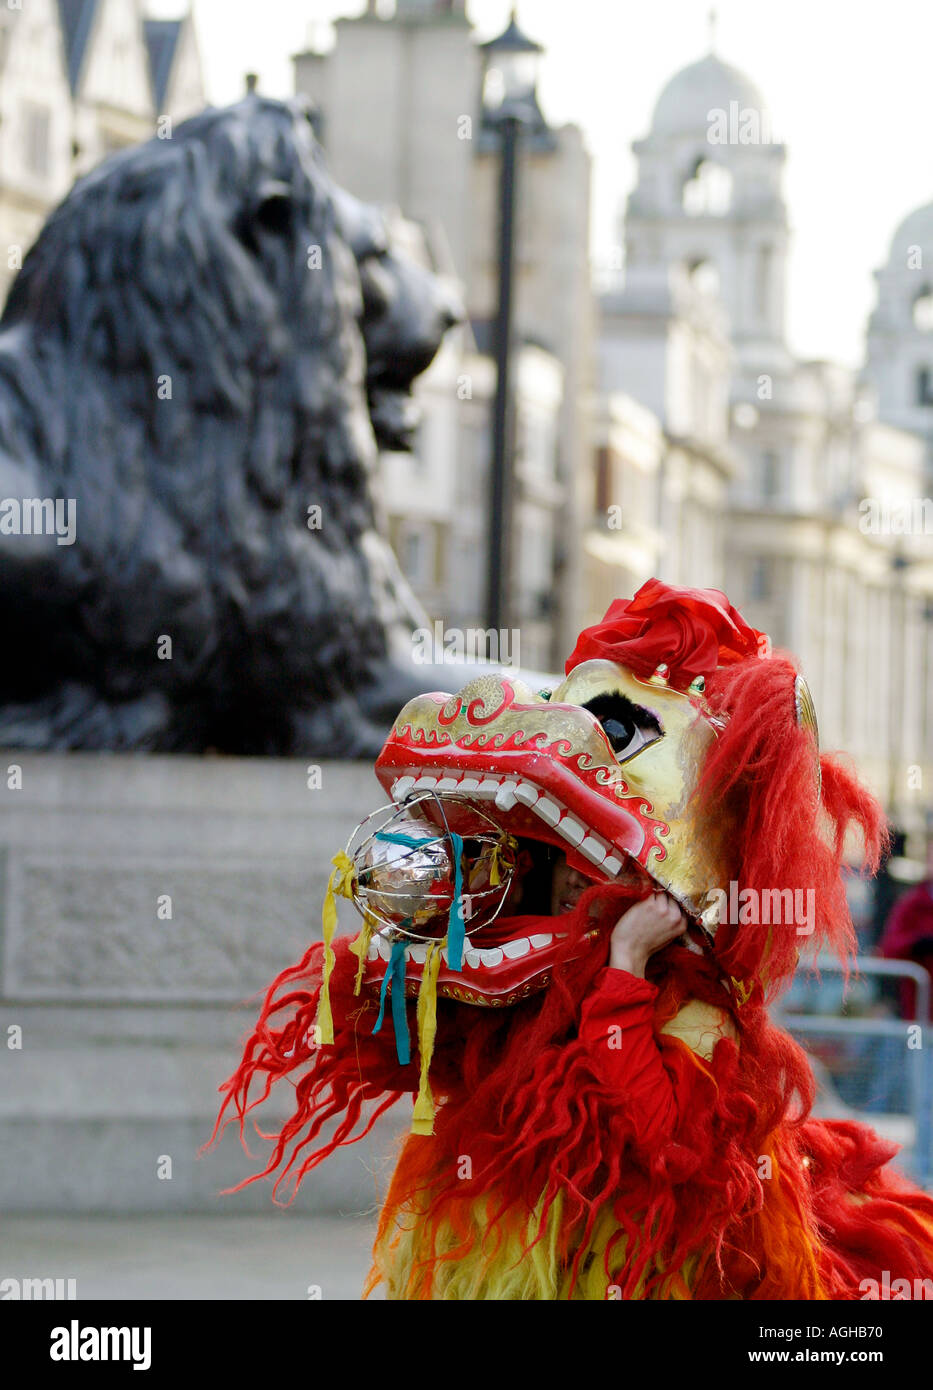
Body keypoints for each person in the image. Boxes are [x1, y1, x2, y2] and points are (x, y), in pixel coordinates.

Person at [210, 579, 933, 1299]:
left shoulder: (698, 1015)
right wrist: (405, 940)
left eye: (584, 868)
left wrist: (622, 971)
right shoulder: (520, 967)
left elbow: (669, 1145)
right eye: (555, 860)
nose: (564, 883)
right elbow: (391, 1051)